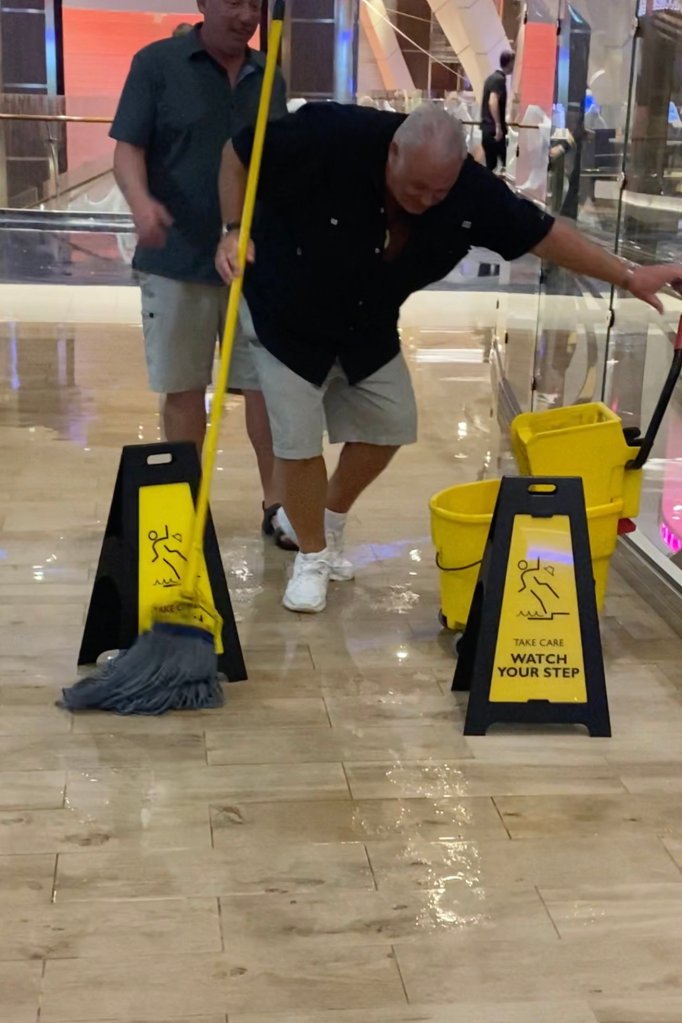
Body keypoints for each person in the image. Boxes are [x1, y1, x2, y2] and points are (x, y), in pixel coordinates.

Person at [215, 101, 682, 614]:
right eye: (415, 187)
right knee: (298, 443)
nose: (425, 200)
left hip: (365, 324)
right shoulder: (331, 134)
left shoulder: (469, 193)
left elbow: (545, 236)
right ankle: (312, 555)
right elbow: (237, 153)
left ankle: (322, 518)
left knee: (391, 424)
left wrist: (628, 275)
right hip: (287, 314)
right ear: (393, 151)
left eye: (439, 191)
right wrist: (234, 229)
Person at [110, 0, 291, 540]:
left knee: (266, 391)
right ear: (203, 4)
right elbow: (127, 150)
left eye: (254, 5)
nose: (246, 16)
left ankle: (278, 507)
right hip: (176, 259)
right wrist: (142, 203)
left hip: (252, 264)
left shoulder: (268, 74)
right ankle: (188, 508)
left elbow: (278, 158)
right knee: (186, 390)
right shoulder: (156, 63)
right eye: (233, 3)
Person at [481, 49, 515, 173]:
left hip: (487, 129)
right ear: (510, 62)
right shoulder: (499, 80)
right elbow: (492, 101)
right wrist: (498, 126)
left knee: (492, 166)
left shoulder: (491, 78)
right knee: (504, 165)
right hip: (494, 132)